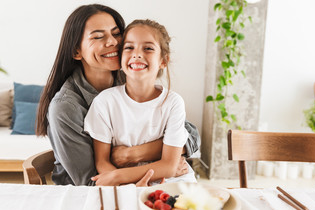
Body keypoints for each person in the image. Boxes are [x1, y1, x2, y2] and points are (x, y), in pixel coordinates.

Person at [36, 4, 200, 186]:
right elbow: (90, 182)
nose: (113, 42)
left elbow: (191, 134)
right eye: (98, 36)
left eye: (116, 33)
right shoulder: (66, 107)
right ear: (76, 51)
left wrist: (132, 154)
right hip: (85, 196)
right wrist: (154, 171)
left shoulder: (131, 76)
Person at [85, 19, 197, 186]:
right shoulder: (105, 102)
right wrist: (128, 187)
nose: (137, 54)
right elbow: (102, 162)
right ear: (121, 57)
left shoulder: (173, 103)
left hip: (174, 183)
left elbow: (169, 166)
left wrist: (118, 177)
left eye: (148, 48)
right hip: (125, 187)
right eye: (129, 47)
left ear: (163, 60)